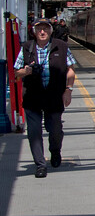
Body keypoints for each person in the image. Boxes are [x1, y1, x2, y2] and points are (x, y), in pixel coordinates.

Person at [13, 17, 77, 178]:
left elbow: (70, 70)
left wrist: (68, 89)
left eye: (46, 29)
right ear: (34, 32)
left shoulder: (61, 46)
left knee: (55, 129)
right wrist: (26, 71)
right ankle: (40, 165)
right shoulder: (27, 48)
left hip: (54, 96)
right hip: (32, 98)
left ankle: (55, 152)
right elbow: (16, 73)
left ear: (50, 30)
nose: (42, 32)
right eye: (39, 29)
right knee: (34, 132)